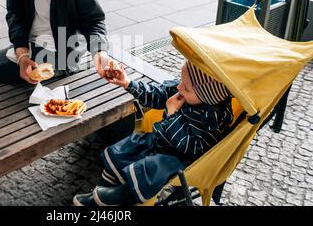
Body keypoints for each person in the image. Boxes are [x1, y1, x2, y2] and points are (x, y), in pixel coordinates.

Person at [73, 60, 234, 206]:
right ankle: (102, 192)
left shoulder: (213, 119)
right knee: (128, 148)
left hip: (180, 158)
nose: (179, 88)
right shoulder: (187, 89)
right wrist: (128, 83)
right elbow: (157, 93)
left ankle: (122, 195)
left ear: (207, 97)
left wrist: (171, 114)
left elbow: (193, 147)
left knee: (155, 167)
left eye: (185, 87)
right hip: (160, 140)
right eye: (181, 82)